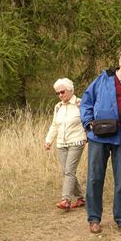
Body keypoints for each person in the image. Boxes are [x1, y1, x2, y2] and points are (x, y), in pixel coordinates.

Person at [80, 49, 121, 236]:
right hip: (99, 135)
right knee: (94, 177)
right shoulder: (103, 79)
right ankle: (94, 219)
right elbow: (86, 101)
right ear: (120, 61)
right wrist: (88, 122)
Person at [45, 78, 87, 211]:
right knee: (67, 171)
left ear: (70, 90)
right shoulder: (58, 107)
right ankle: (80, 198)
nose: (60, 95)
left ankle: (66, 200)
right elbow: (54, 125)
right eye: (57, 93)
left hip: (77, 141)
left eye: (62, 92)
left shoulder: (80, 103)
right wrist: (48, 140)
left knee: (69, 171)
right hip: (61, 143)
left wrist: (88, 137)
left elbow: (87, 120)